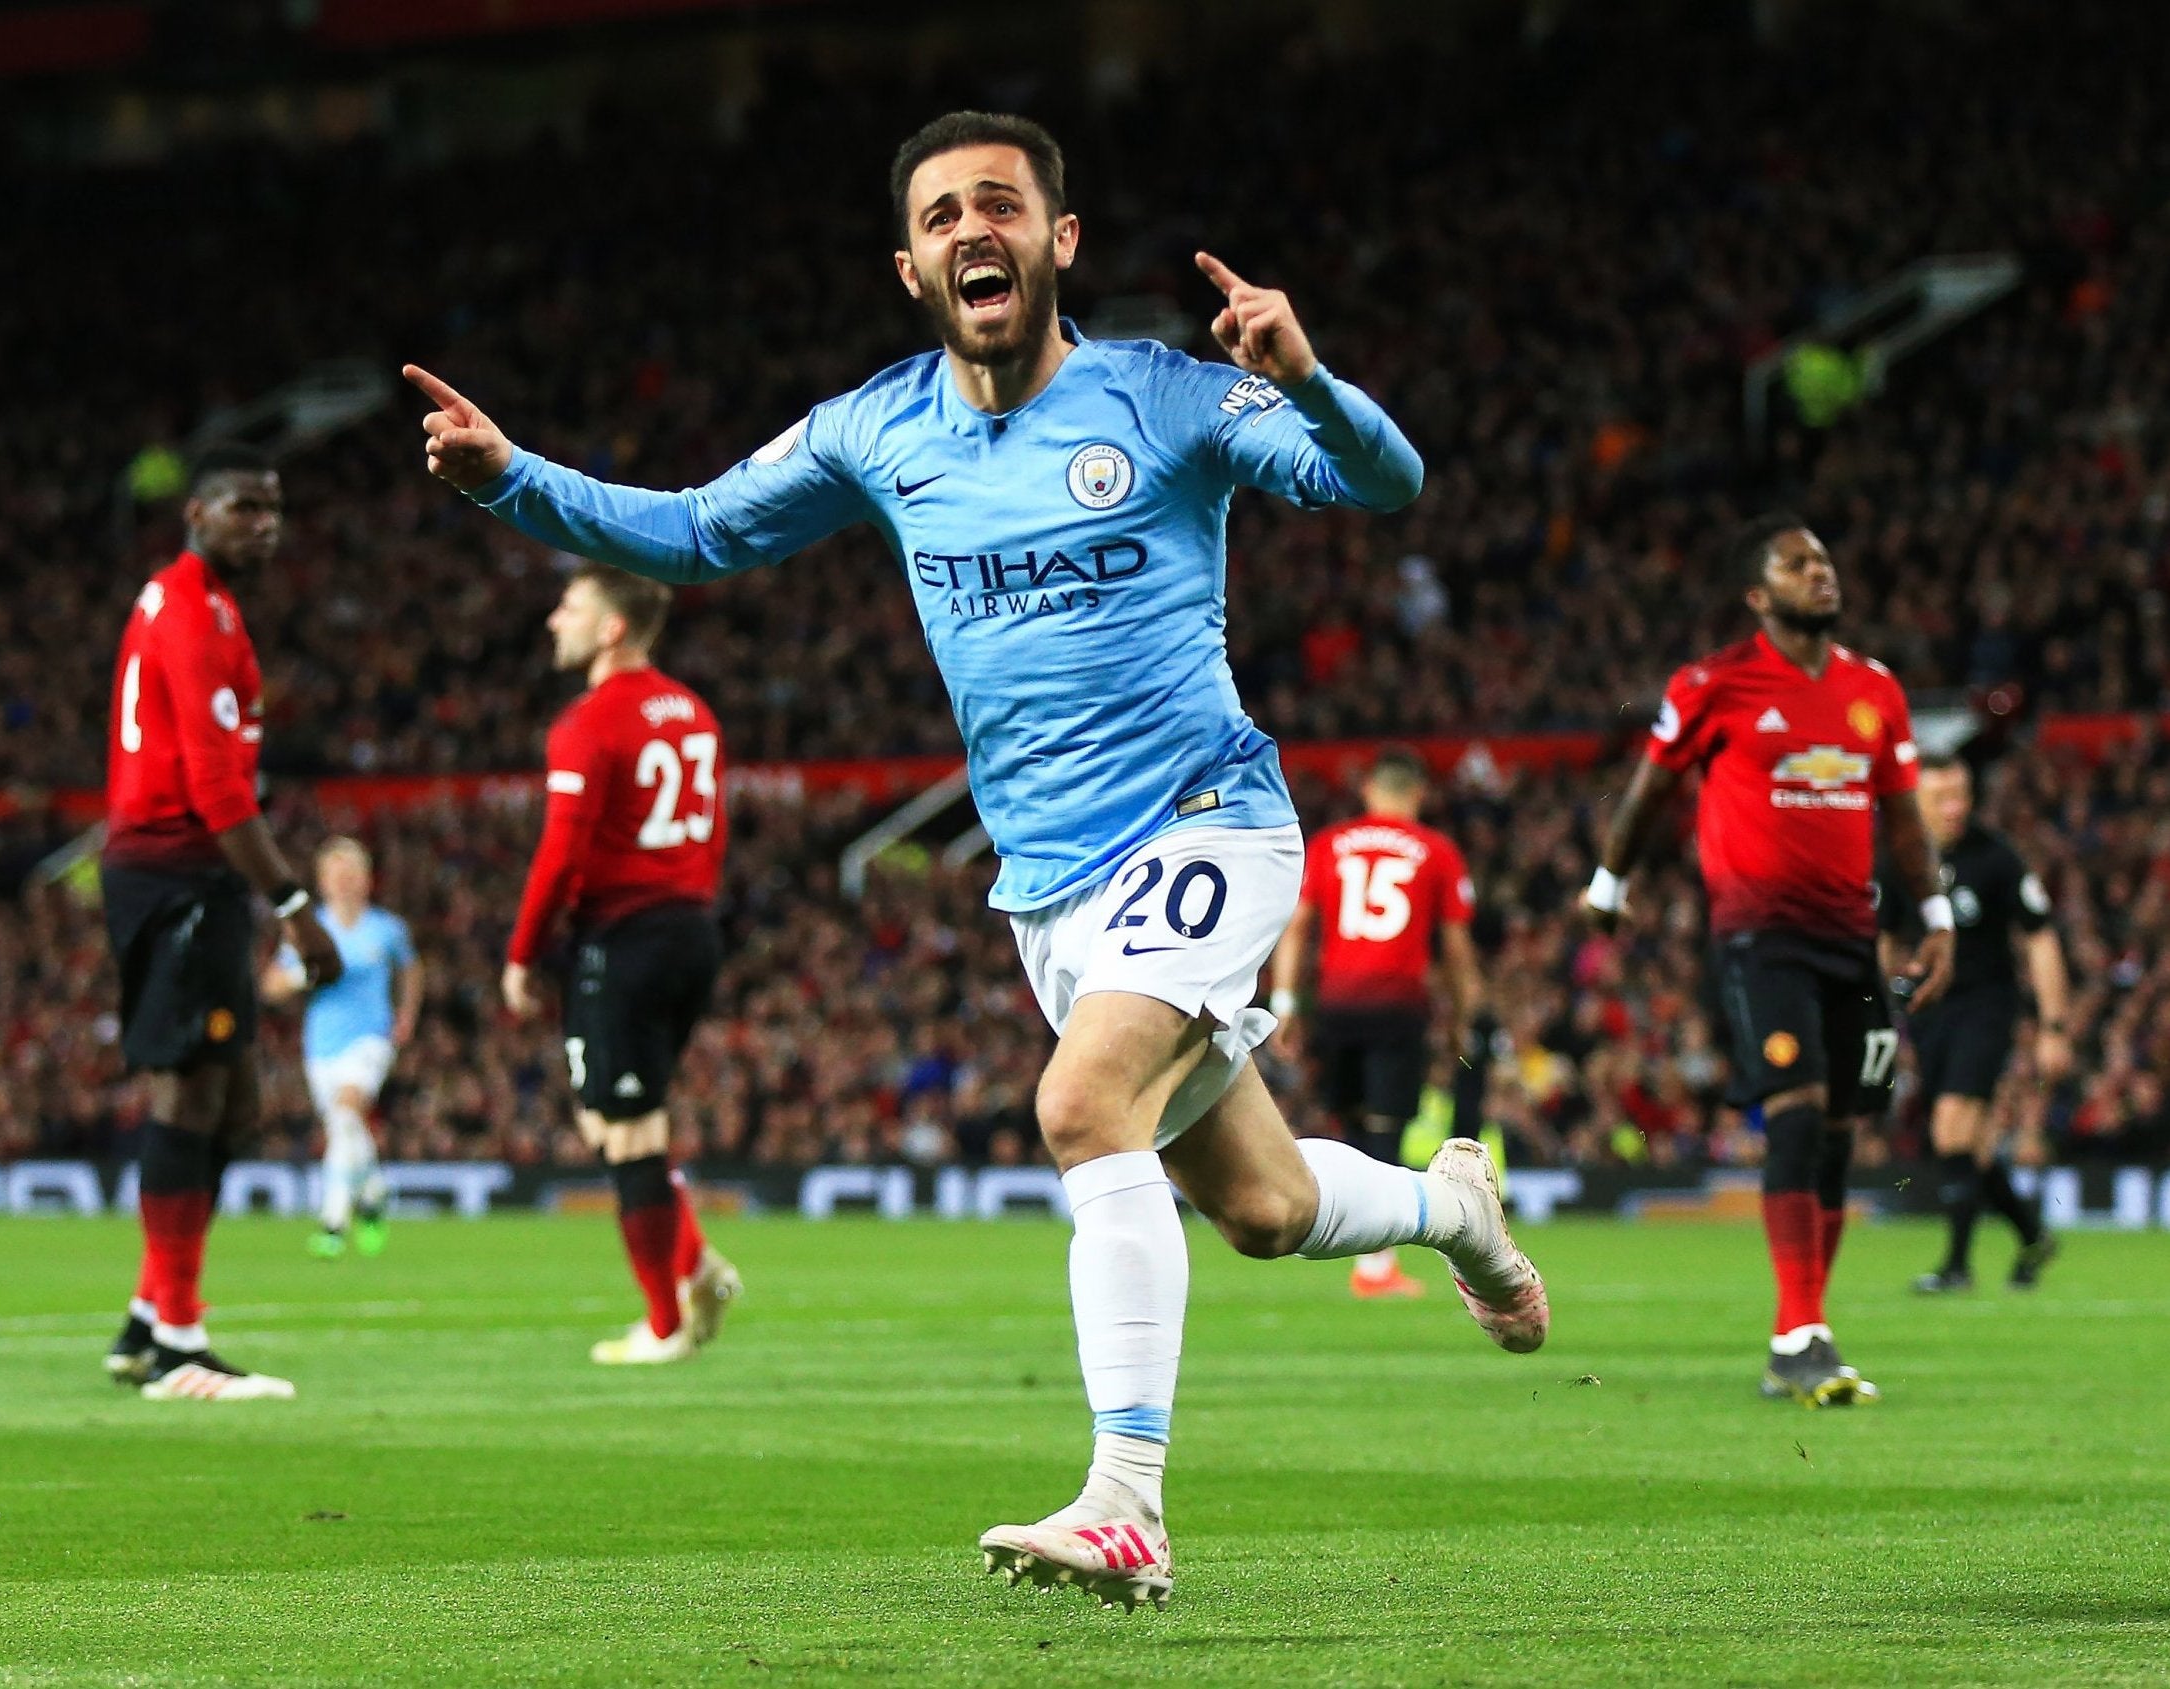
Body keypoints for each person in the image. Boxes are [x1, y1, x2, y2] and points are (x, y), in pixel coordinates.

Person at [407, 108, 1545, 1610]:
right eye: (941, 216)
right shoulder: (876, 431)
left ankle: (1126, 1503)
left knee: (1080, 1104)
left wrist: (1313, 385)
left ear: (1058, 241)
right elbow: (689, 534)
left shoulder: (1169, 396)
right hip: (1050, 896)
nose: (971, 232)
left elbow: (1383, 484)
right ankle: (1453, 1207)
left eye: (999, 206)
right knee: (1263, 1211)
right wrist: (508, 476)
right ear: (909, 265)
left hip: (1209, 821)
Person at [1583, 514, 1954, 1408]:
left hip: (1851, 940)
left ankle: (1804, 1329)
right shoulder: (1716, 683)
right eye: (1796, 563)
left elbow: (1902, 818)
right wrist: (1608, 879)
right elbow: (1649, 787)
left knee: (1835, 1133)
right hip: (1757, 936)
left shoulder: (1874, 688)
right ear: (1759, 594)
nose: (1819, 572)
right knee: (1792, 1112)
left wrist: (1935, 912)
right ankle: (1798, 1330)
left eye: (1824, 558)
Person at [99, 444, 343, 1402]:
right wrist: (294, 906)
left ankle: (147, 1317)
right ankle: (176, 1344)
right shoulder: (196, 611)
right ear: (195, 513)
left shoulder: (204, 604)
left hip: (188, 875)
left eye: (274, 508)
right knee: (191, 1097)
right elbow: (213, 789)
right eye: (244, 506)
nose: (264, 523)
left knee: (232, 1101)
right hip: (174, 872)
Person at [505, 565, 742, 1365]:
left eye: (568, 606)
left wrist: (522, 950)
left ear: (611, 628)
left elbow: (560, 850)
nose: (551, 620)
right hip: (692, 930)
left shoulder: (590, 720)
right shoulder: (696, 712)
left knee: (630, 1131)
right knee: (606, 1118)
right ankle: (697, 1263)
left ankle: (667, 1323)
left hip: (625, 937)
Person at [1269, 748, 1481, 1299]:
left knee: (1348, 1125)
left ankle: (1338, 1241)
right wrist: (1463, 1014)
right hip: (1397, 1005)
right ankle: (1375, 1265)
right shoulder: (1436, 851)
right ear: (1418, 794)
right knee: (1385, 1130)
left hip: (1336, 1003)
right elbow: (1455, 948)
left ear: (1369, 792)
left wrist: (1288, 1002)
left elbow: (1298, 926)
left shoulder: (1330, 844)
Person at [1880, 753, 2068, 1293]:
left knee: (1950, 1126)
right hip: (1931, 1013)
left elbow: (2040, 937)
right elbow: (1887, 938)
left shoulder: (1996, 858)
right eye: (1942, 798)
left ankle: (1956, 1268)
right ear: (1917, 801)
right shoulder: (1900, 858)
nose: (1956, 808)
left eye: (1961, 794)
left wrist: (2054, 1027)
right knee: (1973, 1150)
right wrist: (1889, 991)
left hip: (1986, 1006)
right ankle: (2033, 1234)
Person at [261, 837, 423, 1260]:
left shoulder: (386, 929)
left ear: (368, 881)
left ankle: (332, 1222)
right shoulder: (310, 930)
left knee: (348, 1110)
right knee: (343, 1127)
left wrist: (406, 1013)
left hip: (371, 1038)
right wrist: (302, 977)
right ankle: (372, 1194)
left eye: (354, 875)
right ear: (323, 882)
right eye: (338, 876)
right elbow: (271, 985)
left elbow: (411, 969)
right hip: (321, 1044)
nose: (347, 884)